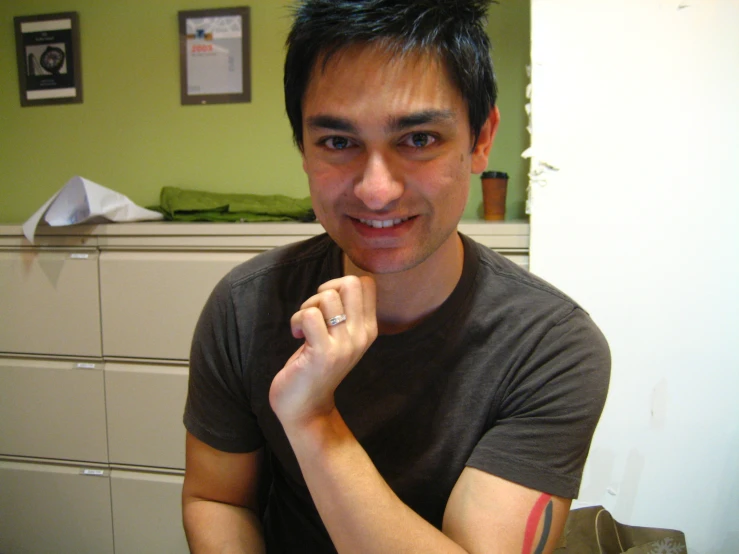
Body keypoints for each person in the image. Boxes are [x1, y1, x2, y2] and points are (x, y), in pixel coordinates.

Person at [181, 1, 610, 552]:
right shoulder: (246, 307)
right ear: (304, 150)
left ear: (481, 140)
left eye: (419, 139)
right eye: (338, 142)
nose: (376, 190)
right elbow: (217, 500)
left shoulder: (552, 347)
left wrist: (313, 419)